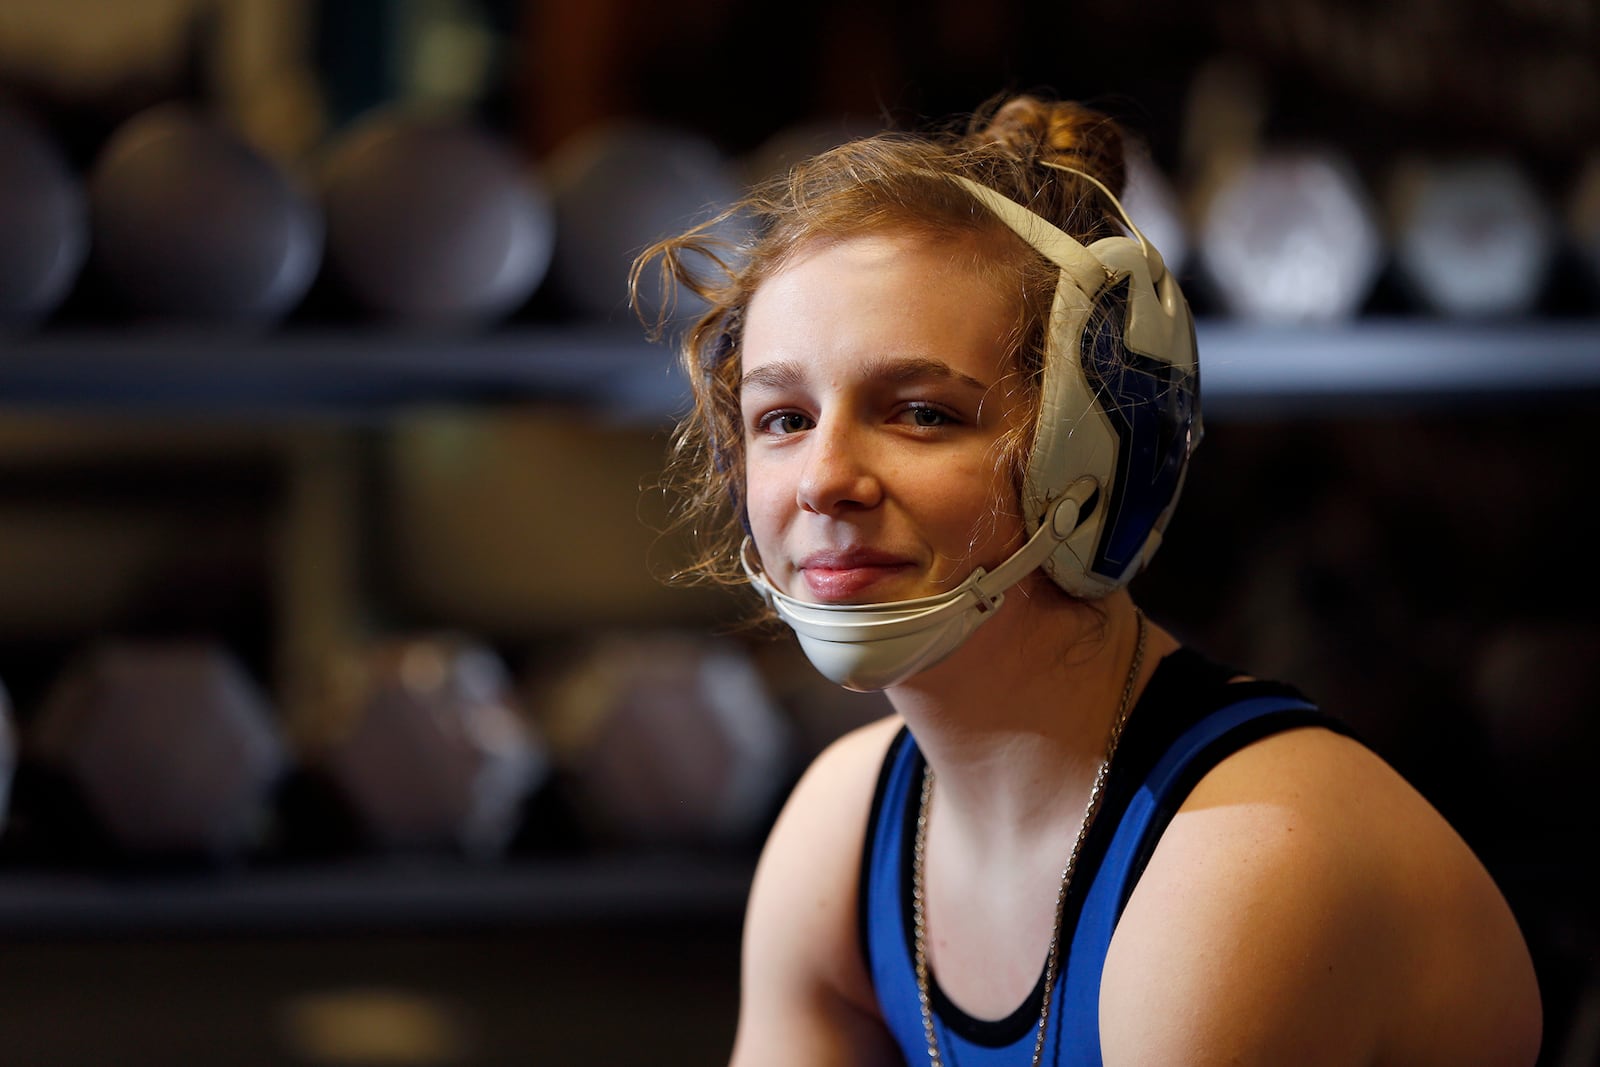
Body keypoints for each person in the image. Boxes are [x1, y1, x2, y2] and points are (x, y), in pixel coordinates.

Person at [633, 93, 1542, 1066]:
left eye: (922, 413)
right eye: (782, 418)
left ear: (1102, 451)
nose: (822, 480)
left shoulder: (1245, 860)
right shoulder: (848, 829)